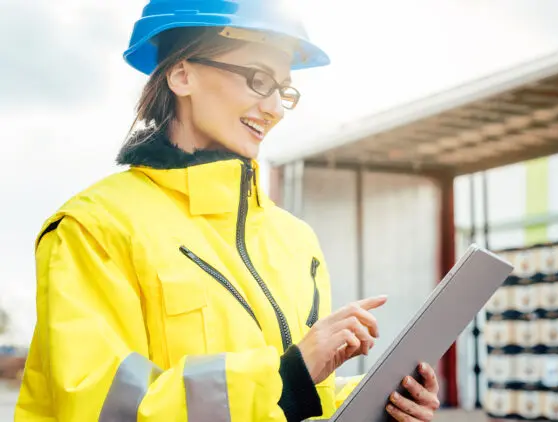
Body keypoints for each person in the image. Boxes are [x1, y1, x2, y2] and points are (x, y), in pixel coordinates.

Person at [14, 1, 441, 421]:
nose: (274, 109)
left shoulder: (294, 239)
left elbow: (296, 401)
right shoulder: (94, 228)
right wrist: (288, 378)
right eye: (258, 79)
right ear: (182, 73)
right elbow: (100, 408)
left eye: (284, 90)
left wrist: (379, 401)